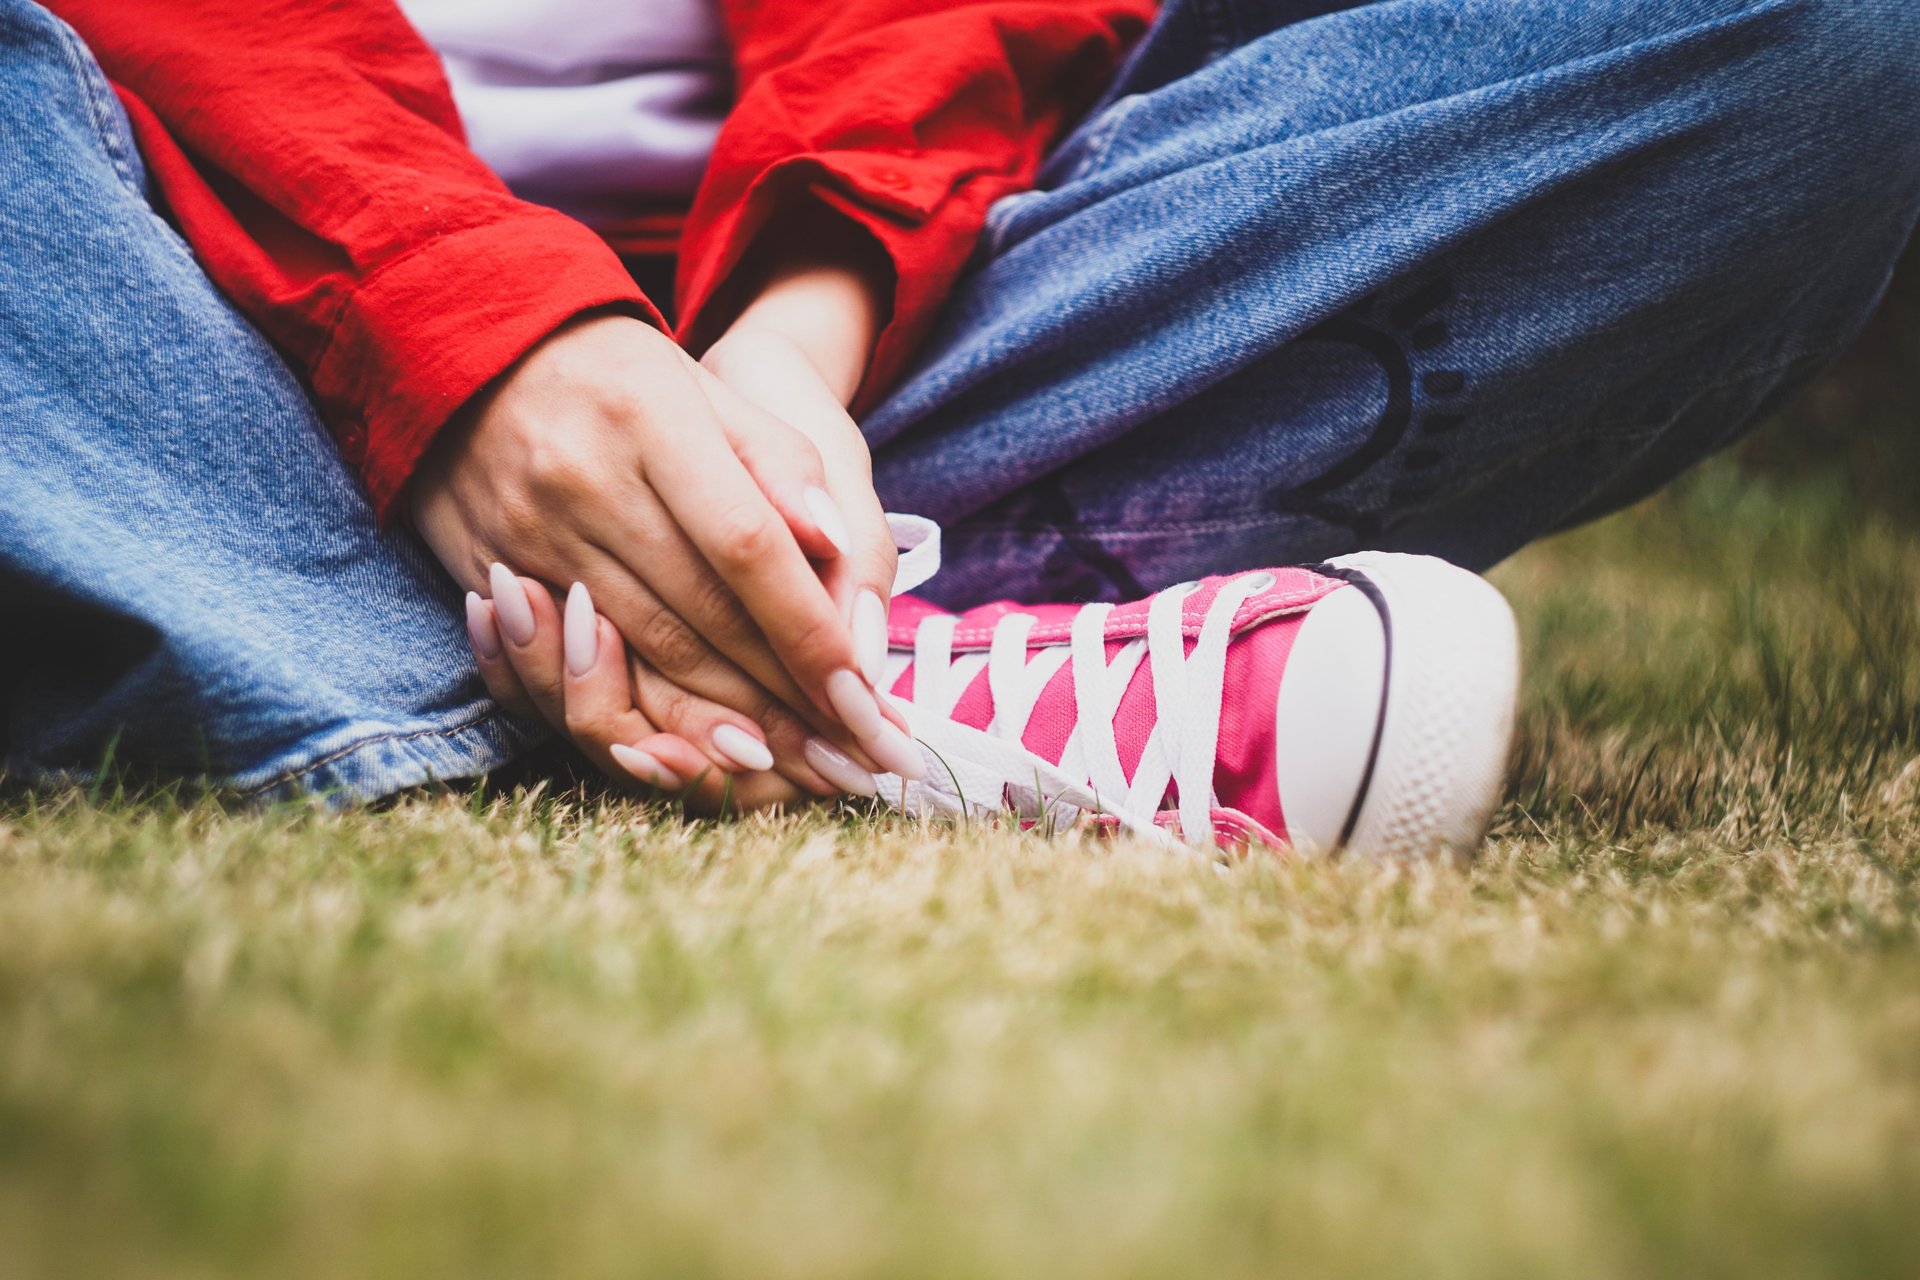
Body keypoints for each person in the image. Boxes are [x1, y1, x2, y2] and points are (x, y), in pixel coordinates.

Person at [3, 0, 1916, 855]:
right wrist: (477, 353)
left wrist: (785, 343)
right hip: (197, 297)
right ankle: (914, 678)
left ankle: (609, 634)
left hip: (922, 327)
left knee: (1812, 48)